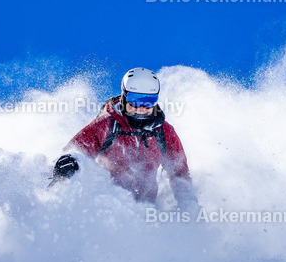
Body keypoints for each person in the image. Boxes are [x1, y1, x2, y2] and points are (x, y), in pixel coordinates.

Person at [52, 68, 198, 210]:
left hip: (146, 212)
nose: (141, 108)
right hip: (106, 210)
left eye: (148, 101)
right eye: (134, 101)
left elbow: (179, 173)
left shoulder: (164, 132)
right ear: (124, 97)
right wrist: (69, 161)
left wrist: (189, 206)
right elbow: (76, 150)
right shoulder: (107, 125)